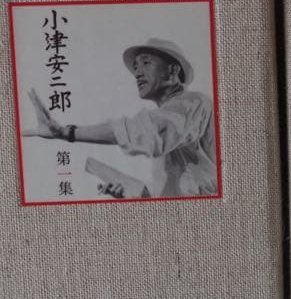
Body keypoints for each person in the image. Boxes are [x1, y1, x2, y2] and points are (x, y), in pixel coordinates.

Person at [26, 37, 217, 198]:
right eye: (136, 66)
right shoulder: (169, 125)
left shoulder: (195, 103)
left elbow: (143, 132)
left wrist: (66, 132)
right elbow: (167, 193)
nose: (137, 73)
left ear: (173, 70)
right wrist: (129, 190)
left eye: (146, 63)